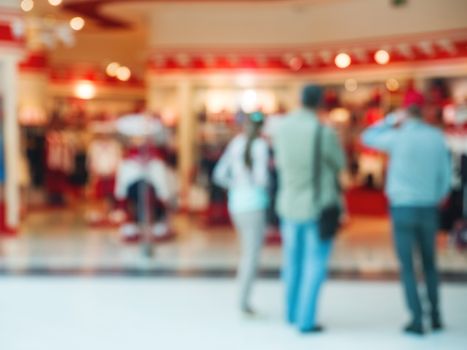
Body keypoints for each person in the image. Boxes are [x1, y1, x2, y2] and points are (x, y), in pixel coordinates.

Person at [362, 98, 451, 335]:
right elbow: (446, 176)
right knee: (430, 263)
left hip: (402, 208)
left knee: (409, 266)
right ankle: (436, 315)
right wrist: (436, 197)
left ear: (405, 114)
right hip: (428, 207)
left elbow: (367, 136)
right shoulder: (435, 137)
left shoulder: (397, 136)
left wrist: (391, 119)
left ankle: (417, 319)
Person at [273, 85, 345, 333]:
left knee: (291, 261)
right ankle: (305, 320)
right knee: (314, 263)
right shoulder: (322, 132)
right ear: (321, 103)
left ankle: (290, 313)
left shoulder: (281, 128)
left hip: (288, 203)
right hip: (317, 205)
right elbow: (340, 163)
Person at [213, 111, 270, 315]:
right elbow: (261, 180)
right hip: (254, 205)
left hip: (236, 204)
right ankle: (243, 301)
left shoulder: (237, 143)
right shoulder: (260, 146)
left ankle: (244, 299)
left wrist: (235, 186)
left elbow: (219, 175)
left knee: (246, 252)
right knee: (251, 255)